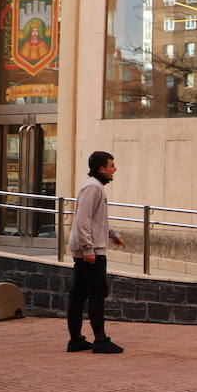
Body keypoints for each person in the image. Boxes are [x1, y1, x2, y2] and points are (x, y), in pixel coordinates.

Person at [67, 151, 125, 353]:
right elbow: (82, 220)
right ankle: (100, 340)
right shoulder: (93, 187)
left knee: (79, 295)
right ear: (102, 169)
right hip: (90, 253)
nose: (114, 169)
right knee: (97, 294)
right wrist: (88, 249)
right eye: (111, 165)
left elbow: (95, 220)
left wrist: (112, 234)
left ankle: (76, 340)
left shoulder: (94, 187)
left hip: (89, 249)